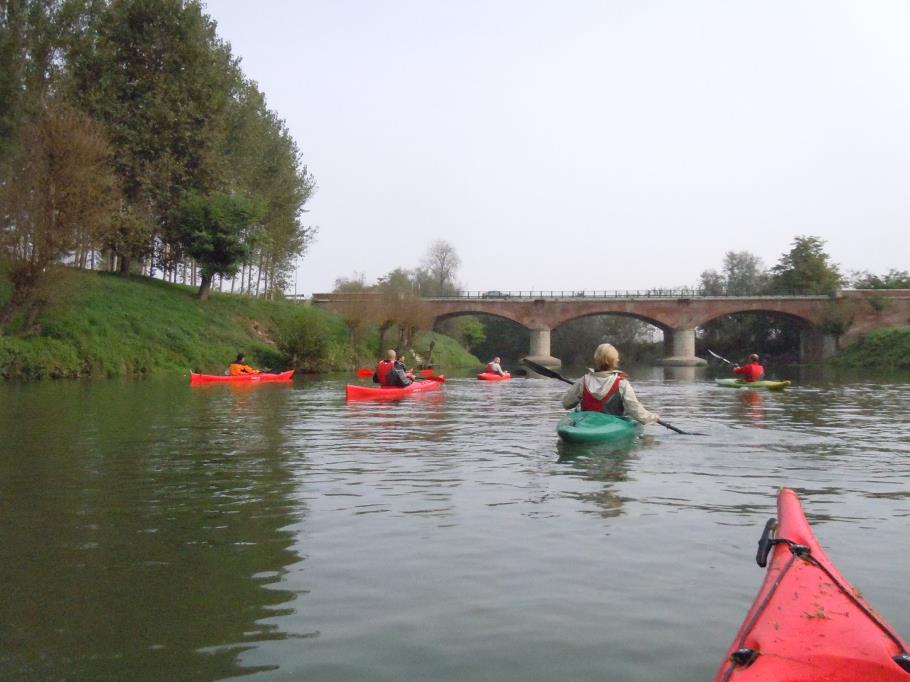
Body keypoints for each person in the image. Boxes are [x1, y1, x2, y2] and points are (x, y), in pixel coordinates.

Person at [561, 343, 660, 425]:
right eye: (617, 358)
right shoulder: (622, 383)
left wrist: (575, 391)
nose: (618, 360)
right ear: (613, 361)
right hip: (611, 425)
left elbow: (566, 404)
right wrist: (652, 418)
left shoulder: (583, 381)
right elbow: (634, 409)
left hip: (586, 424)